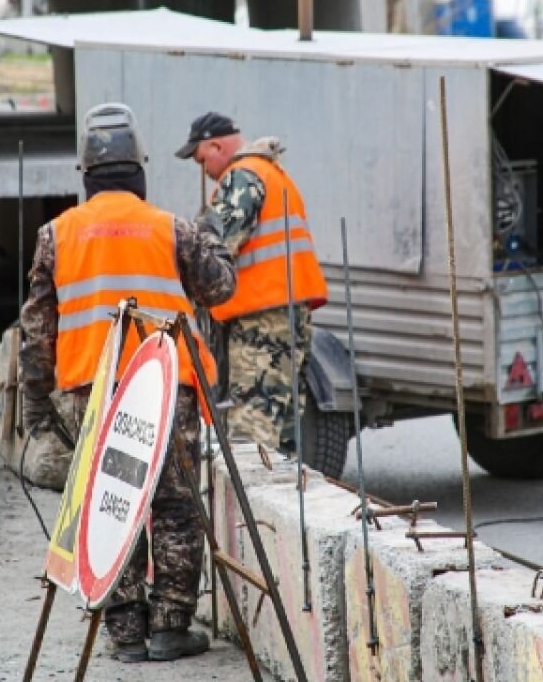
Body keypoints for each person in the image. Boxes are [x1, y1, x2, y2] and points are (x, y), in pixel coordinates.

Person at [19, 103, 235, 663]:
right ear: (138, 169)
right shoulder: (173, 229)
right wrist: (213, 237)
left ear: (86, 176)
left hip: (94, 394)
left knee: (108, 503)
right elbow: (221, 289)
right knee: (175, 507)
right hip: (167, 389)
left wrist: (36, 406)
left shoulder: (55, 235)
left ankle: (125, 634)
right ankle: (169, 626)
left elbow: (36, 329)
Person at [175, 112, 328, 449]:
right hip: (288, 316)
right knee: (282, 431)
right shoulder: (273, 174)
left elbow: (214, 250)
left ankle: (252, 501)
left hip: (261, 323)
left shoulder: (242, 178)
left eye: (202, 161)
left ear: (215, 145)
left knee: (251, 433)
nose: (206, 172)